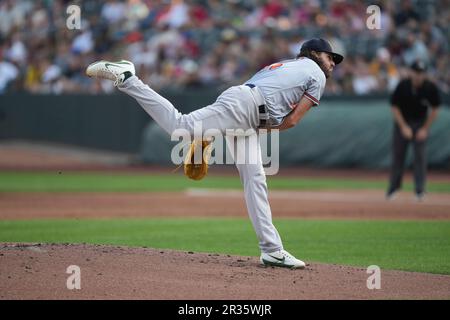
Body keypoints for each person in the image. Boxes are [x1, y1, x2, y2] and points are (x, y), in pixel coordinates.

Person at [86, 38, 343, 269]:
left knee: (255, 179)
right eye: (330, 57)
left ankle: (272, 250)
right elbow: (291, 122)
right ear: (313, 53)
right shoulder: (315, 73)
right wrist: (256, 125)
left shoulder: (285, 65)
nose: (333, 63)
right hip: (249, 108)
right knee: (181, 126)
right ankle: (129, 77)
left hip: (248, 108)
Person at [386, 60, 441, 201]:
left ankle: (420, 191)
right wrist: (404, 127)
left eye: (421, 73)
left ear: (425, 74)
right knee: (398, 156)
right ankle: (393, 190)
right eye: (416, 72)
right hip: (402, 122)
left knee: (420, 157)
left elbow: (435, 109)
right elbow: (395, 107)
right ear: (410, 72)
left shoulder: (429, 87)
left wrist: (424, 129)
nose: (418, 76)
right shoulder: (403, 85)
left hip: (420, 123)